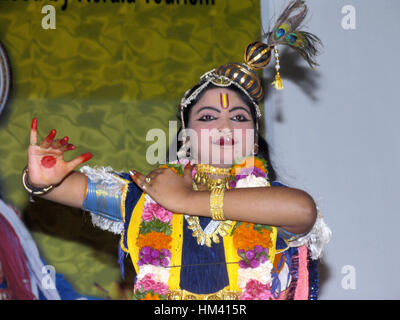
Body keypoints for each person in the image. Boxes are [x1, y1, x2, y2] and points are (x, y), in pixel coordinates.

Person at [22, 0, 331, 300]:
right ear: (185, 135)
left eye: (238, 117)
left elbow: (302, 210)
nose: (224, 126)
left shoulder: (265, 198)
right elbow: (63, 188)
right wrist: (42, 178)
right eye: (208, 117)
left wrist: (185, 200)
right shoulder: (147, 195)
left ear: (252, 138)